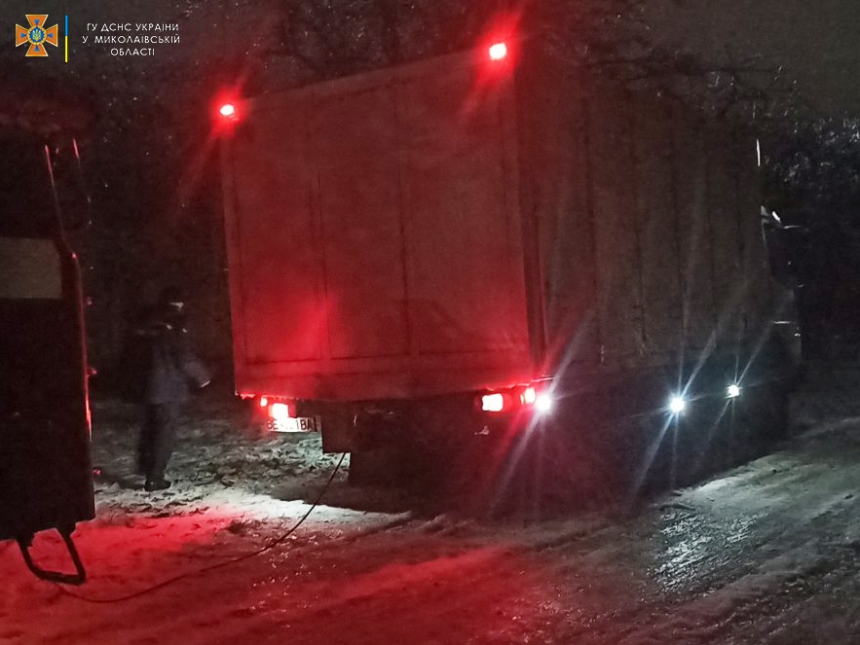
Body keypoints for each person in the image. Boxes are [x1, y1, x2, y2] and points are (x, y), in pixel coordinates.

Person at [133, 287, 210, 491]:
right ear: (179, 304)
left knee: (151, 429)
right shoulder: (175, 324)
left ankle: (145, 468)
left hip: (147, 386)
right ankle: (155, 477)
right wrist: (202, 378)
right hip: (167, 388)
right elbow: (183, 355)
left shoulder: (148, 323)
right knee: (165, 433)